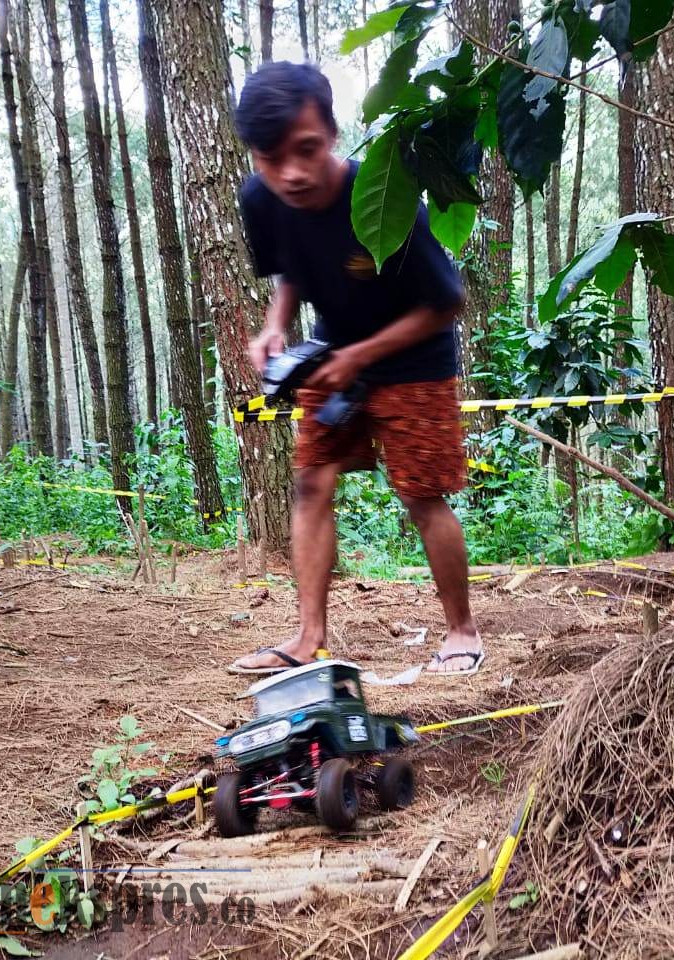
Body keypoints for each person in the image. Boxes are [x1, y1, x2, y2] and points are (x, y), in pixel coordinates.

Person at [229, 62, 483, 676]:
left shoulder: (383, 198)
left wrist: (359, 358)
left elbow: (447, 303)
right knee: (311, 483)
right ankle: (308, 636)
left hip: (415, 360)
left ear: (333, 134)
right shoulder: (261, 200)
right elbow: (290, 267)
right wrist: (275, 326)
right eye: (270, 157)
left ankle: (462, 632)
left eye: (307, 150)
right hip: (330, 355)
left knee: (421, 494)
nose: (291, 172)